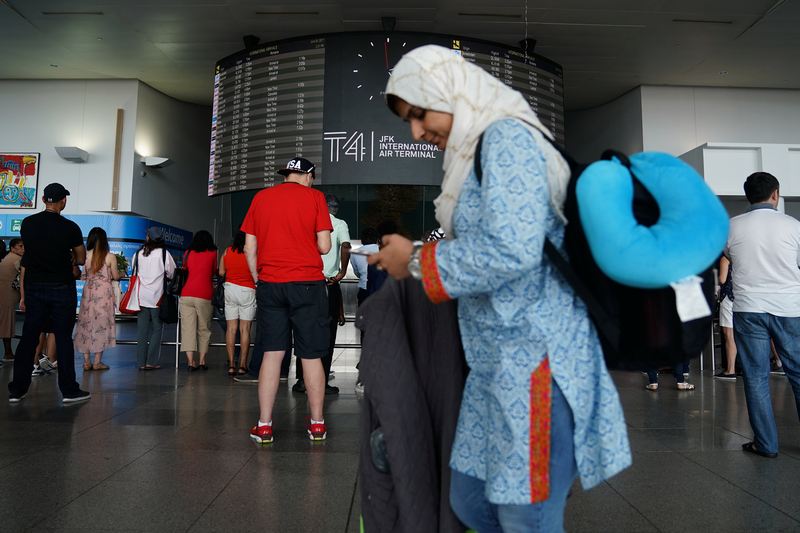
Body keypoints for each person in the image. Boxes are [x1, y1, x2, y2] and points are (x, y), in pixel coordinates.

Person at [370, 46, 631, 531]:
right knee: (472, 501)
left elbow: (513, 251)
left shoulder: (507, 138)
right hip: (497, 366)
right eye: (409, 120)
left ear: (448, 91)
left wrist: (418, 260)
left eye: (420, 114)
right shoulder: (473, 152)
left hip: (536, 362)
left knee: (525, 515)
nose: (416, 132)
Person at [243, 156, 332, 444]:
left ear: (286, 175)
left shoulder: (261, 198)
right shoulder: (315, 197)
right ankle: (317, 424)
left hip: (271, 283)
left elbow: (249, 247)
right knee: (310, 354)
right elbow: (324, 245)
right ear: (309, 176)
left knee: (272, 352)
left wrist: (259, 278)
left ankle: (265, 425)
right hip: (307, 284)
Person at [725, 171, 800, 459]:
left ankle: (766, 445)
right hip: (789, 309)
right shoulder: (793, 225)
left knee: (756, 377)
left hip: (749, 308)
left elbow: (728, 255)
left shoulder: (732, 226)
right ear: (775, 194)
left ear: (748, 196)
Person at [8, 183, 90, 403]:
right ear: (63, 201)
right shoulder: (70, 227)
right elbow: (81, 258)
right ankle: (69, 391)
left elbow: (32, 252)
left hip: (35, 288)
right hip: (61, 287)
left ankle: (17, 389)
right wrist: (71, 257)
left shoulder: (28, 224)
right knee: (63, 338)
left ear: (44, 200)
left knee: (28, 338)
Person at [293, 194, 350, 395]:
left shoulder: (310, 222)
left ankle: (301, 380)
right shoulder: (340, 224)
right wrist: (342, 271)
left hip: (307, 283)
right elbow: (345, 245)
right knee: (327, 334)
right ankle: (322, 382)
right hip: (328, 285)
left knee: (304, 330)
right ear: (334, 208)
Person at [74, 227, 119, 371]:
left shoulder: (85, 256)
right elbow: (116, 276)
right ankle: (97, 362)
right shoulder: (110, 256)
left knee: (86, 324)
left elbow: (83, 276)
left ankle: (86, 362)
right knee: (101, 325)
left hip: (89, 291)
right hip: (104, 293)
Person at [134, 228, 176, 370]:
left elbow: (133, 271)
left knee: (142, 331)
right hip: (158, 297)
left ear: (148, 238)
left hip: (141, 297)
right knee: (157, 329)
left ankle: (140, 362)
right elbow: (172, 273)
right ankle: (151, 361)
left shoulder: (139, 253)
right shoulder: (164, 254)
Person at [219, 231, 255, 376]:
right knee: (245, 330)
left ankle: (231, 365)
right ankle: (242, 365)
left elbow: (221, 272)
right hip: (247, 290)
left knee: (231, 329)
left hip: (230, 290)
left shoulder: (227, 251)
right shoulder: (251, 252)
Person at [180, 230, 217, 371]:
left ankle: (190, 363)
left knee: (188, 329)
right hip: (204, 294)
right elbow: (214, 270)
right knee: (204, 328)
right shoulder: (213, 253)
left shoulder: (188, 253)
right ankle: (202, 361)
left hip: (186, 294)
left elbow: (185, 268)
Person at [0, 238, 23, 361]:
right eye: (20, 246)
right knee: (6, 324)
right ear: (13, 248)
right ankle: (8, 353)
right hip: (7, 296)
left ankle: (8, 353)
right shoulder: (17, 259)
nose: (23, 249)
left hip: (5, 295)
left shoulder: (8, 257)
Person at [715, 255, 737, 380]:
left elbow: (722, 279)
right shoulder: (741, 256)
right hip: (741, 297)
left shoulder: (725, 259)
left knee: (728, 334)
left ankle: (730, 370)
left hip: (728, 298)